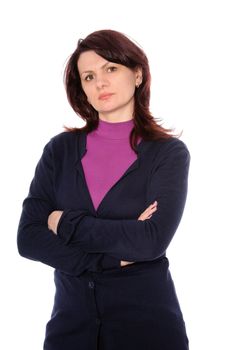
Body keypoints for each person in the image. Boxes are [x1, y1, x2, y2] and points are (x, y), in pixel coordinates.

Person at [17, 29, 190, 350]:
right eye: (88, 76)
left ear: (137, 74)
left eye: (111, 69)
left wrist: (64, 223)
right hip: (70, 329)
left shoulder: (167, 154)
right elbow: (28, 238)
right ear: (81, 89)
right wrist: (110, 258)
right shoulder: (60, 150)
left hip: (148, 329)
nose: (100, 83)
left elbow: (151, 241)